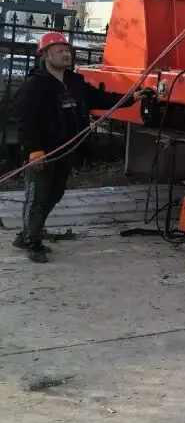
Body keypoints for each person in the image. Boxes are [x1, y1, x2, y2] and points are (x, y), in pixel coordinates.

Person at [14, 32, 151, 262]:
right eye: (59, 51)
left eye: (67, 50)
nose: (66, 54)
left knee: (54, 194)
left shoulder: (74, 82)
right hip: (43, 153)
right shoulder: (35, 85)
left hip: (66, 151)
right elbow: (25, 121)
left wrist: (132, 97)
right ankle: (32, 241)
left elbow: (100, 98)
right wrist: (34, 150)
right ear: (45, 55)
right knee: (37, 197)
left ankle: (27, 233)